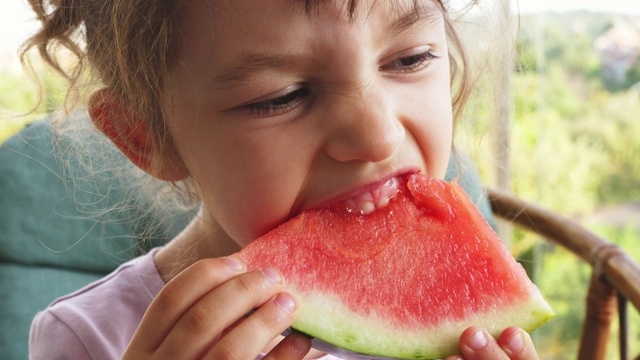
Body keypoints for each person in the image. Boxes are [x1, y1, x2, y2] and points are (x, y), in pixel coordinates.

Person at [23, 0, 540, 359]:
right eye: (282, 96)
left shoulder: (462, 324)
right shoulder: (86, 340)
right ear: (145, 137)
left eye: (411, 59)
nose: (378, 135)